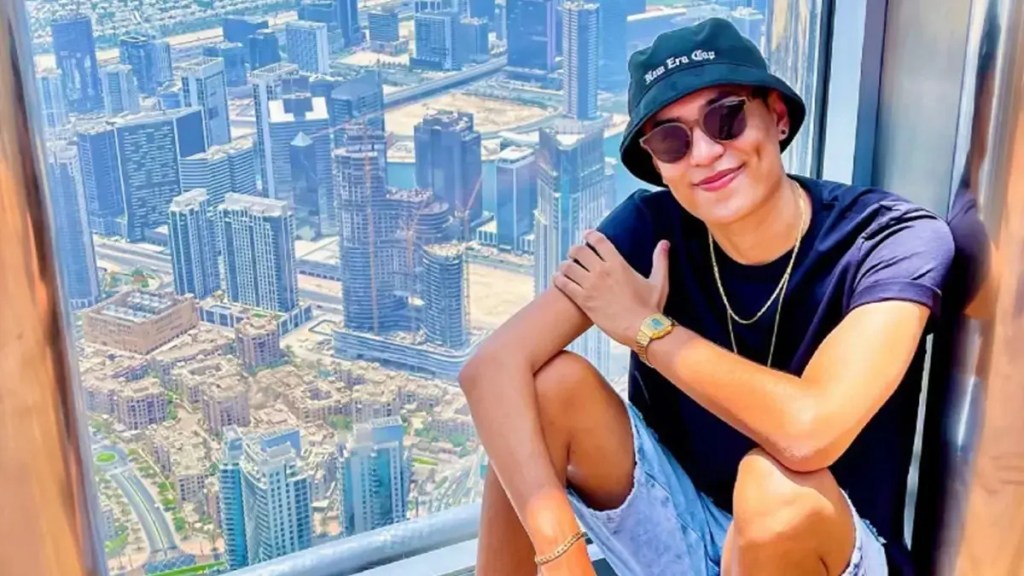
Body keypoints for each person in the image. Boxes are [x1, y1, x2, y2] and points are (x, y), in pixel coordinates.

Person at [459, 18, 954, 576]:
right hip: (685, 528)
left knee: (772, 490)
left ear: (778, 116)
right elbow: (491, 368)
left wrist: (647, 330)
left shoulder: (887, 239)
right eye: (672, 140)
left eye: (727, 118)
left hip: (828, 549)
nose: (704, 152)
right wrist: (562, 555)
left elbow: (809, 433)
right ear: (657, 164)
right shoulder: (652, 229)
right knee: (546, 389)